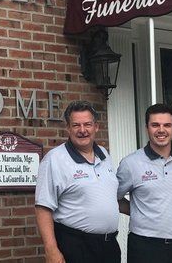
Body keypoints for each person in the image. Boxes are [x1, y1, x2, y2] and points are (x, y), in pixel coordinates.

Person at [117, 103, 172, 263]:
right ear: (147, 128)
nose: (161, 130)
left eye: (167, 125)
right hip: (145, 247)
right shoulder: (131, 163)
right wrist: (137, 211)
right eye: (155, 125)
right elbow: (113, 198)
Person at [35, 100, 120, 263]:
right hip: (76, 246)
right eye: (76, 125)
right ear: (68, 128)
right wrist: (51, 250)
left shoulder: (103, 154)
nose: (82, 130)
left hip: (109, 246)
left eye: (87, 124)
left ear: (96, 127)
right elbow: (43, 207)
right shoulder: (55, 159)